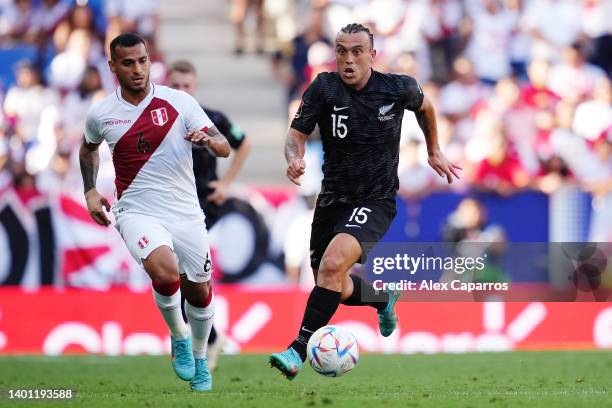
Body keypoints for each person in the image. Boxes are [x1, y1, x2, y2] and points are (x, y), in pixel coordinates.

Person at [269, 23, 461, 380]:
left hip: (376, 199)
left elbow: (426, 105)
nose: (348, 59)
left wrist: (434, 149)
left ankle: (297, 350)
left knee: (332, 267)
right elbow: (295, 135)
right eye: (341, 50)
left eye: (357, 51)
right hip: (332, 201)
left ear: (372, 56)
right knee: (334, 286)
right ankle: (382, 299)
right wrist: (293, 158)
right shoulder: (324, 88)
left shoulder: (397, 87)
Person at [79, 33, 230, 392]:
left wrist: (209, 141)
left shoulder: (179, 102)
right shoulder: (102, 113)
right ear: (113, 66)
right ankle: (178, 335)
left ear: (150, 61)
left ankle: (199, 358)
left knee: (199, 290)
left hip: (185, 212)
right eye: (128, 63)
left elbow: (224, 145)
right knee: (163, 271)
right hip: (136, 211)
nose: (138, 69)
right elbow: (88, 150)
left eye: (143, 61)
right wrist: (89, 190)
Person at [166, 60, 251, 371]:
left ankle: (191, 338)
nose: (182, 91)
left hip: (203, 206)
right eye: (176, 86)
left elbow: (243, 143)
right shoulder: (155, 121)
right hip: (168, 205)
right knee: (177, 277)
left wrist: (226, 183)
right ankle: (209, 337)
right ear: (166, 85)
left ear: (195, 87)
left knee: (182, 272)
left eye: (187, 86)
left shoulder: (212, 119)